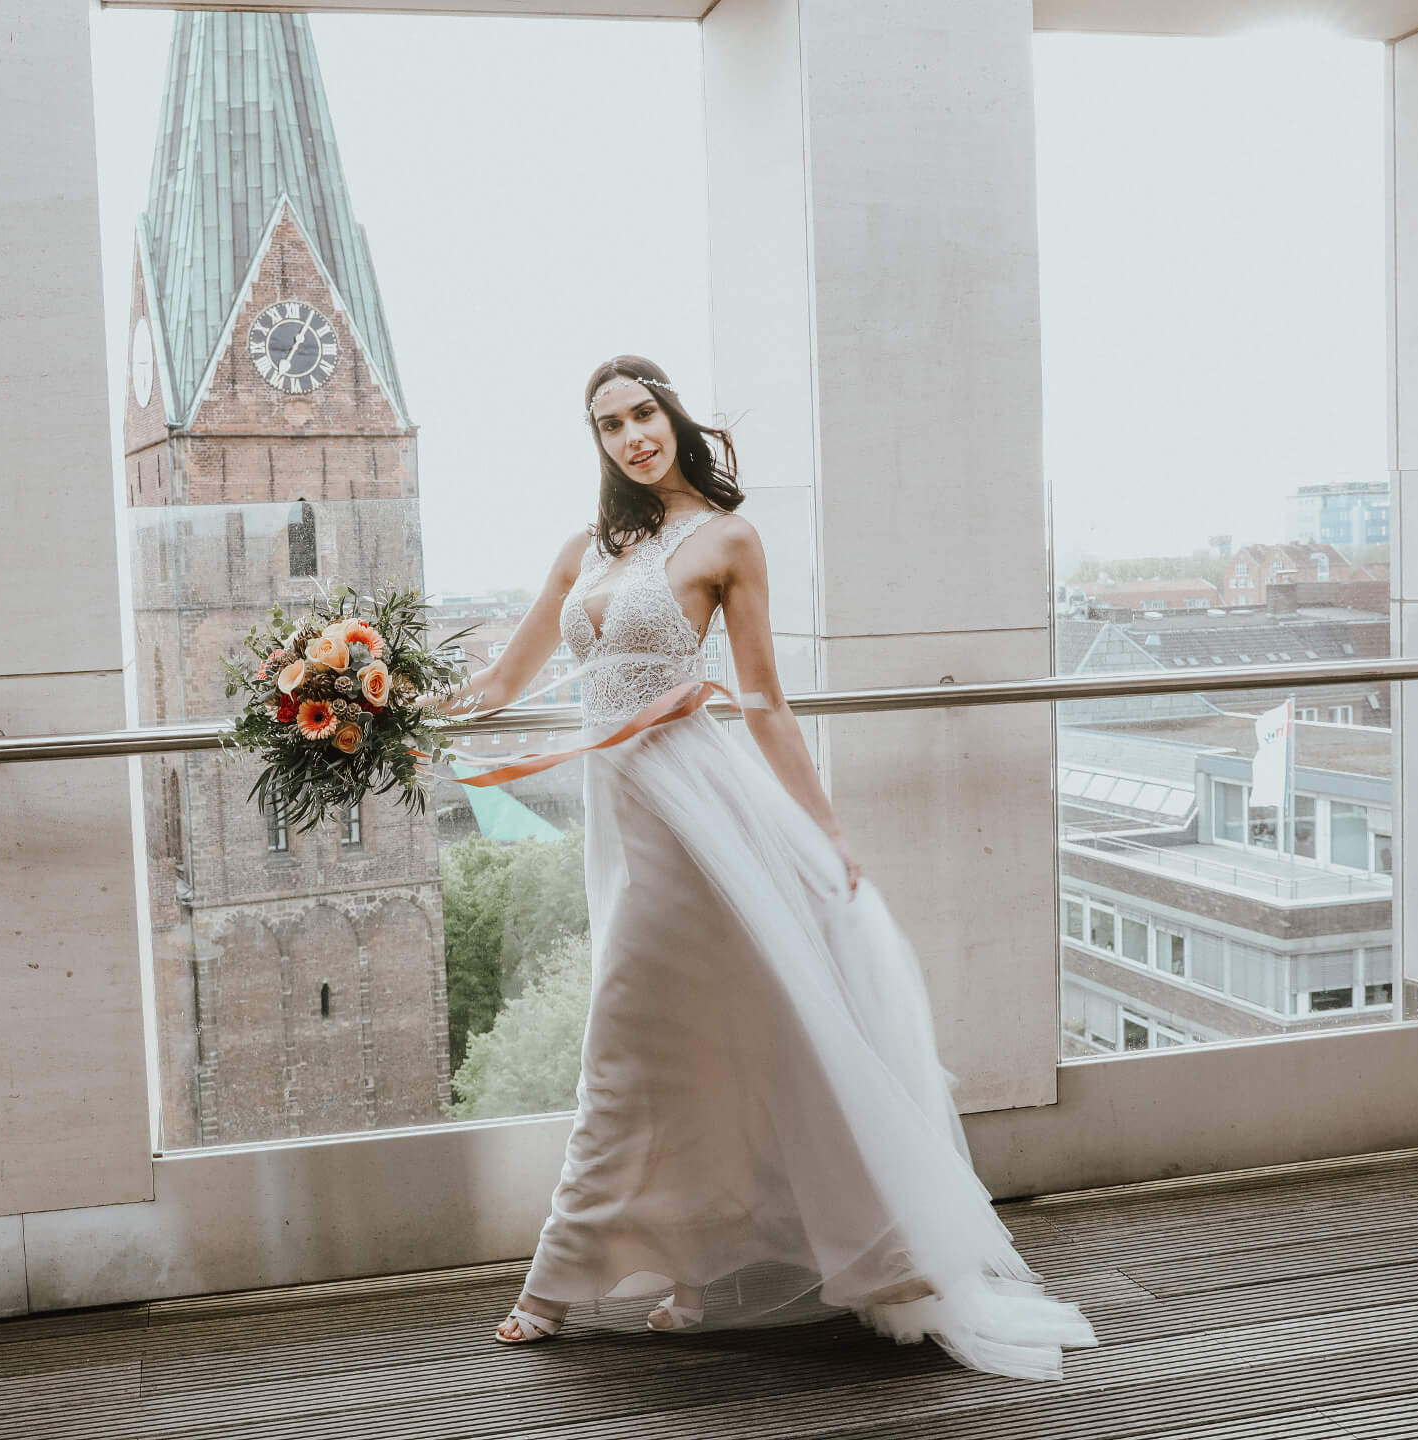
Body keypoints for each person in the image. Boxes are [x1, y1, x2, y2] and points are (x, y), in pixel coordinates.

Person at [432, 355, 1099, 1381]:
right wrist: (376, 702)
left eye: (642, 414)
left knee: (622, 1032)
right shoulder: (585, 551)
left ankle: (552, 1285)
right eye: (608, 425)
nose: (629, 437)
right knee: (698, 1040)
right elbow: (501, 681)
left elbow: (766, 701)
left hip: (701, 815)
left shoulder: (728, 540)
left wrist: (826, 833)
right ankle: (695, 1276)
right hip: (624, 825)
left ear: (673, 416)